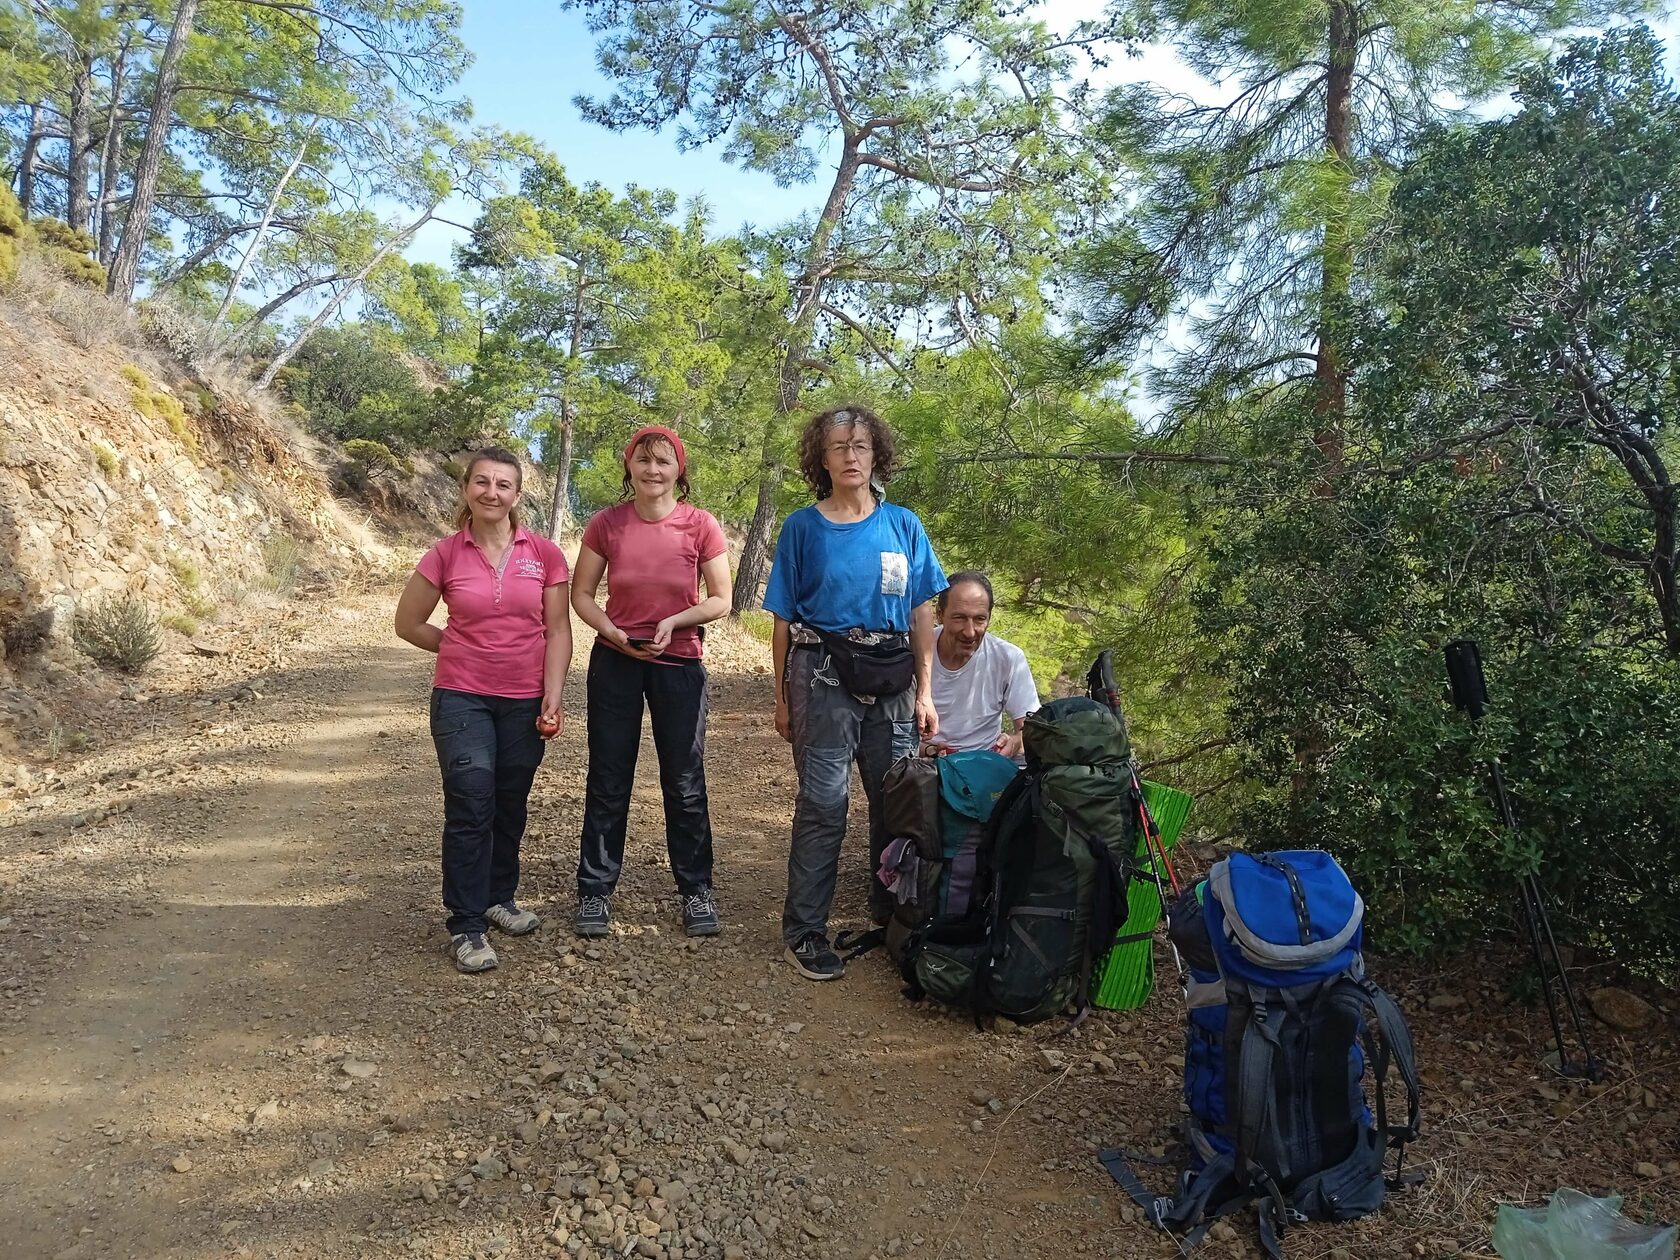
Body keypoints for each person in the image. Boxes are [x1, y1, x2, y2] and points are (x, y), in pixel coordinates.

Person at [763, 403, 947, 982]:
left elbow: (921, 613)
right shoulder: (802, 527)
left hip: (893, 679)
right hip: (821, 675)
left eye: (860, 445)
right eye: (838, 446)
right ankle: (805, 931)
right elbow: (782, 621)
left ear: (876, 454)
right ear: (822, 459)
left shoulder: (904, 525)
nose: (850, 456)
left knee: (896, 802)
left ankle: (893, 915)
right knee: (824, 803)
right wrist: (781, 698)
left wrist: (925, 692)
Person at [394, 447, 572, 974]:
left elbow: (558, 629)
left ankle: (498, 897)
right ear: (466, 488)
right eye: (482, 482)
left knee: (510, 801)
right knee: (471, 802)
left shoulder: (545, 555)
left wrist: (553, 691)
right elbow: (408, 623)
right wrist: (459, 648)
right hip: (462, 697)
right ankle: (466, 924)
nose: (491, 493)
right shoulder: (445, 554)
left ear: (517, 495)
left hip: (524, 700)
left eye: (503, 484)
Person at [569, 425, 732, 939]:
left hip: (679, 661)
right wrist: (610, 631)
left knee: (683, 780)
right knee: (608, 776)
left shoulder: (701, 525)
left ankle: (696, 889)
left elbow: (721, 598)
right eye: (643, 460)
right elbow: (581, 594)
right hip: (615, 660)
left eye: (663, 461)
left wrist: (676, 621)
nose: (653, 469)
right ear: (629, 466)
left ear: (679, 469)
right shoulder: (606, 523)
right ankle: (595, 889)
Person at [927, 570, 1040, 762]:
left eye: (979, 619)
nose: (970, 632)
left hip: (986, 763)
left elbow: (1032, 730)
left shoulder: (1008, 657)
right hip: (923, 765)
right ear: (940, 614)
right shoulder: (912, 652)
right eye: (959, 618)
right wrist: (928, 750)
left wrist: (1014, 743)